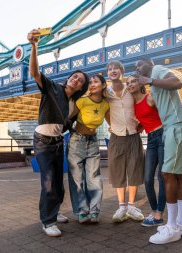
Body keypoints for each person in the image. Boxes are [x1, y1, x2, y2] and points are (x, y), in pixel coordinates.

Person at [28, 28, 89, 237]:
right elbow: (35, 73)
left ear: (82, 87)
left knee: (58, 182)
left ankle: (55, 211)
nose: (75, 79)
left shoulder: (75, 104)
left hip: (58, 141)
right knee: (48, 180)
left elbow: (78, 121)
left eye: (80, 80)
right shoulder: (52, 87)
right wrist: (34, 46)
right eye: (74, 76)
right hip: (43, 141)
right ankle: (47, 221)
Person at [135, 59, 182, 244]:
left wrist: (150, 81)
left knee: (167, 174)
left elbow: (177, 83)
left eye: (139, 65)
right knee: (181, 174)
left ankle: (172, 227)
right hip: (175, 125)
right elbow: (168, 102)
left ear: (149, 64)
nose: (137, 69)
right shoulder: (154, 83)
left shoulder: (157, 70)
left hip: (175, 126)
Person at [67, 74, 110, 224]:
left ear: (103, 85)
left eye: (95, 81)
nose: (92, 84)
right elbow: (67, 117)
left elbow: (113, 123)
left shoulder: (105, 104)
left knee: (94, 178)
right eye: (90, 82)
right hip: (76, 141)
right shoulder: (82, 101)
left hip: (93, 142)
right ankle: (82, 210)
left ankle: (94, 211)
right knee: (77, 179)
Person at [106, 60, 145, 223]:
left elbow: (143, 103)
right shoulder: (105, 92)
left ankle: (131, 206)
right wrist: (112, 125)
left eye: (116, 68)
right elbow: (104, 111)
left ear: (122, 71)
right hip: (116, 137)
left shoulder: (131, 88)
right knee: (118, 172)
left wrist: (142, 123)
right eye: (110, 69)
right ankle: (121, 207)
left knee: (135, 170)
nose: (113, 71)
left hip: (134, 135)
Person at [126, 74, 166, 227]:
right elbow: (145, 119)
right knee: (147, 179)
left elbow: (166, 111)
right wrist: (140, 127)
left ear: (140, 82)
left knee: (161, 176)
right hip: (150, 139)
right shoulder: (132, 105)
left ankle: (158, 214)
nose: (130, 84)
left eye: (133, 81)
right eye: (128, 83)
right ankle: (154, 210)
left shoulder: (150, 98)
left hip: (162, 135)